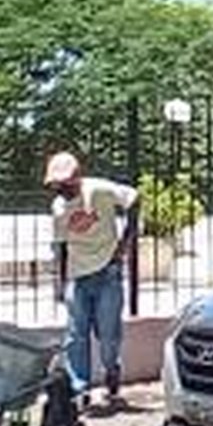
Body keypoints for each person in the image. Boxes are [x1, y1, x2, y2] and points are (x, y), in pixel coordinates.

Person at [45, 150, 141, 411]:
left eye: (65, 184)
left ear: (77, 179)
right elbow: (61, 247)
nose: (61, 190)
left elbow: (134, 198)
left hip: (108, 271)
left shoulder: (99, 190)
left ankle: (112, 371)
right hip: (78, 275)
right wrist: (61, 283)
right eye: (57, 186)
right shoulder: (58, 208)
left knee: (108, 334)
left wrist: (126, 241)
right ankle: (79, 389)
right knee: (76, 335)